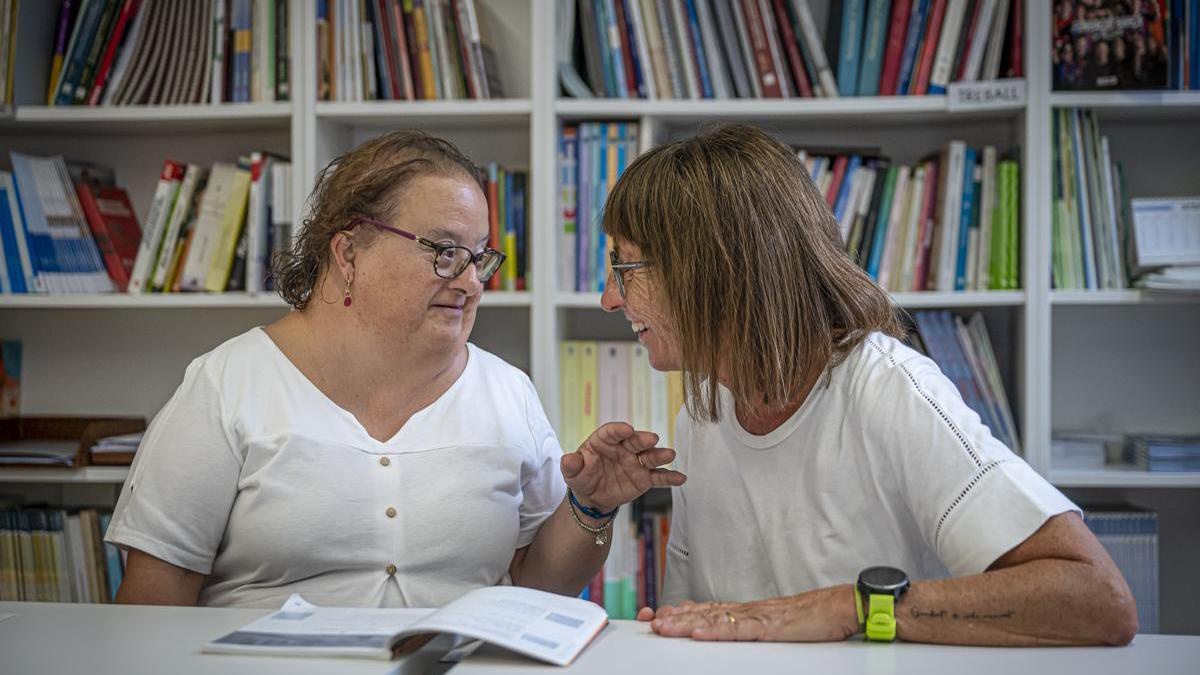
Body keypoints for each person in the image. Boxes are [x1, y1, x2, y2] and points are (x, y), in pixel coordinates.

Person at [600, 124, 1138, 646]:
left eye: (625, 268)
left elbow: (1097, 596)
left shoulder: (890, 390)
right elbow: (697, 620)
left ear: (710, 270)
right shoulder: (702, 413)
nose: (610, 299)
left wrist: (851, 606)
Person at [106, 130, 684, 608]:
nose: (470, 280)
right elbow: (153, 604)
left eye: (479, 256)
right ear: (349, 251)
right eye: (444, 250)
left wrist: (588, 506)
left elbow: (537, 586)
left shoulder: (507, 392)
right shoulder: (227, 384)